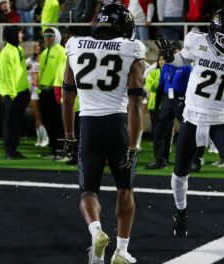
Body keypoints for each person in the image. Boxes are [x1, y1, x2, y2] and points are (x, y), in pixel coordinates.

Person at [156, 8, 224, 240]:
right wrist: (169, 57)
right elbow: (182, 59)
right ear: (214, 33)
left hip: (220, 119)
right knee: (178, 177)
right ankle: (181, 211)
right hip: (192, 118)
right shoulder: (197, 42)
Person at [62, 4, 144, 263]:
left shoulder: (75, 45)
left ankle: (96, 231)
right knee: (125, 188)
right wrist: (133, 144)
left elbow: (67, 98)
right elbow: (135, 104)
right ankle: (121, 250)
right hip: (118, 125)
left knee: (88, 192)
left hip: (88, 126)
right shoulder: (132, 49)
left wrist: (69, 135)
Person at [145, 41, 192, 170]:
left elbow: (191, 86)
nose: (172, 53)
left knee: (188, 131)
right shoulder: (165, 66)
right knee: (159, 131)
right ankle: (160, 160)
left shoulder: (187, 66)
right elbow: (160, 87)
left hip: (181, 99)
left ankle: (189, 160)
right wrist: (156, 107)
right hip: (167, 100)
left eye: (175, 51)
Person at [0, 26, 31, 159]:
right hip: (12, 94)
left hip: (21, 91)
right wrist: (11, 94)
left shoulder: (19, 49)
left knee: (17, 123)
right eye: (19, 33)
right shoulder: (7, 52)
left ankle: (14, 149)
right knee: (10, 123)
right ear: (12, 35)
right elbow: (6, 75)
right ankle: (8, 151)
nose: (22, 35)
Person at [37, 27, 65, 159]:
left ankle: (60, 149)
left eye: (50, 35)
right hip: (44, 91)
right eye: (46, 35)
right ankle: (53, 147)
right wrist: (39, 89)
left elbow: (62, 73)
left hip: (54, 91)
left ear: (57, 36)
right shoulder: (44, 53)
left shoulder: (61, 51)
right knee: (47, 120)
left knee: (58, 121)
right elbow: (41, 72)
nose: (47, 38)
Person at [26, 40, 49, 147]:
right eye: (35, 46)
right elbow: (22, 68)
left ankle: (46, 138)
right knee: (37, 116)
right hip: (34, 90)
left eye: (39, 46)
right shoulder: (30, 60)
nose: (37, 48)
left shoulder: (46, 58)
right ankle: (39, 139)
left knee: (44, 115)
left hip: (44, 89)